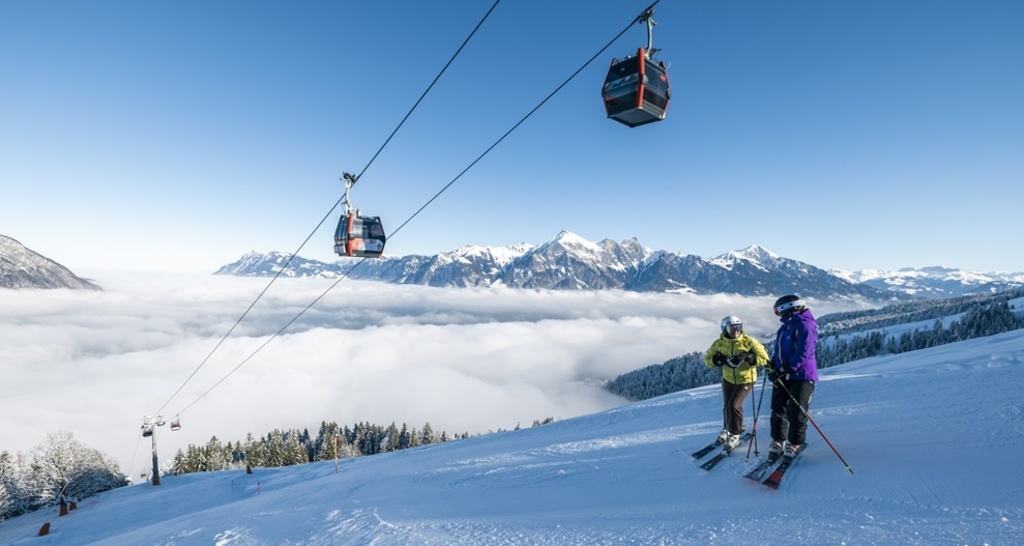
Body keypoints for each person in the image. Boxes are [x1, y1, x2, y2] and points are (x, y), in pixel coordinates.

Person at [703, 315, 769, 450]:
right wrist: (717, 360)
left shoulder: (749, 342)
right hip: (728, 378)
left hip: (746, 379)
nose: (735, 330)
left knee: (734, 405)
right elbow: (707, 360)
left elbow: (764, 358)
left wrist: (750, 357)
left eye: (738, 327)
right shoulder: (719, 344)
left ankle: (735, 433)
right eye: (731, 328)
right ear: (724, 329)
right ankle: (728, 427)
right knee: (728, 405)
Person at [766, 294, 819, 459]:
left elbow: (804, 352)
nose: (778, 314)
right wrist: (773, 365)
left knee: (796, 411)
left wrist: (786, 368)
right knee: (778, 407)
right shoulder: (786, 326)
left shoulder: (806, 325)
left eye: (778, 311)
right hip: (784, 373)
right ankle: (778, 440)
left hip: (802, 375)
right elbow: (780, 351)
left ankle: (795, 443)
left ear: (789, 308)